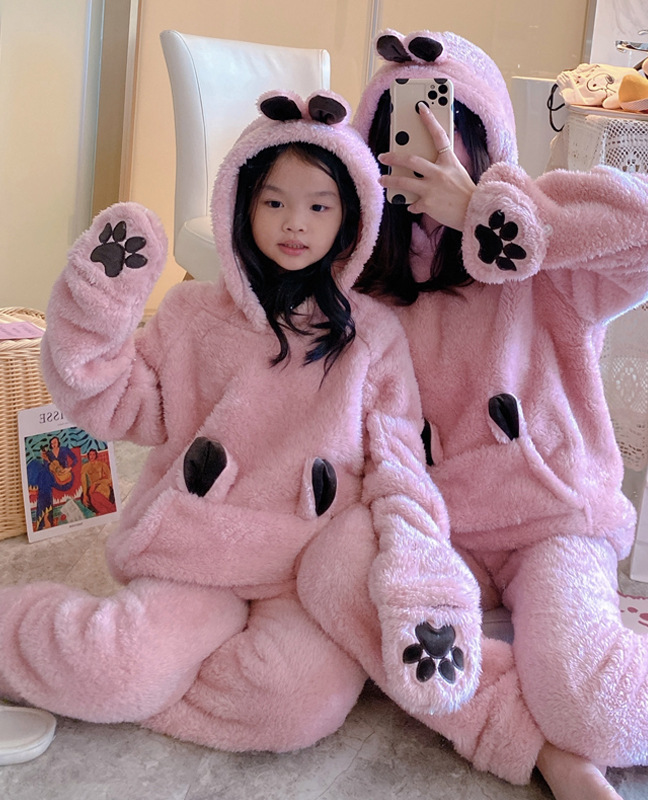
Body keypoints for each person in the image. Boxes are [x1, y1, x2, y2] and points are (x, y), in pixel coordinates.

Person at [299, 29, 648, 798]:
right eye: (399, 133)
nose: (427, 151)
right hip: (433, 529)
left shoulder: (541, 256)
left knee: (590, 701)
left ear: (490, 143)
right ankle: (529, 740)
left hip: (550, 522)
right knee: (329, 572)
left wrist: (485, 210)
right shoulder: (360, 278)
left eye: (452, 130)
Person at [0, 89, 483, 752]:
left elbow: (399, 464)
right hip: (197, 551)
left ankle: (151, 683)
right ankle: (31, 635)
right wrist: (97, 312)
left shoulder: (372, 338)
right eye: (274, 202)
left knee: (298, 708)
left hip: (303, 566)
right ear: (242, 203)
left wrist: (420, 570)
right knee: (113, 668)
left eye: (319, 206)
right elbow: (114, 403)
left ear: (351, 220)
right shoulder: (192, 316)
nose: (295, 223)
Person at [80, 449, 115, 515]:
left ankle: (109, 509)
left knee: (97, 494)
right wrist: (84, 494)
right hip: (92, 486)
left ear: (96, 455)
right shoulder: (85, 467)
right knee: (87, 497)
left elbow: (110, 478)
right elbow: (83, 481)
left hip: (102, 484)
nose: (92, 456)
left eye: (93, 454)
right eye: (90, 455)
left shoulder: (102, 464)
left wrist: (96, 483)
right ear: (88, 456)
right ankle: (105, 510)